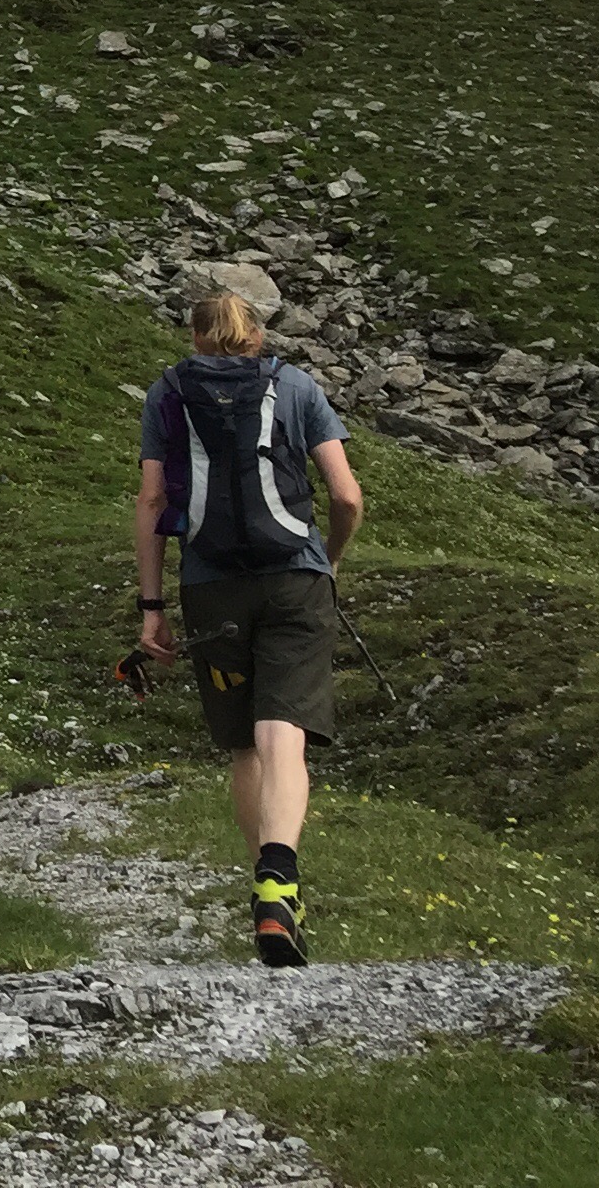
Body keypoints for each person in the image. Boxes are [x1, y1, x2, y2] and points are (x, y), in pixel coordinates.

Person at [132, 286, 364, 968]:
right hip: (295, 578)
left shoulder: (167, 393)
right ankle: (279, 880)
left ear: (195, 337)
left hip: (212, 587)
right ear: (257, 336)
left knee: (244, 747)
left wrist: (152, 607)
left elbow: (153, 498)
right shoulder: (296, 386)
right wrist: (329, 558)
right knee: (283, 732)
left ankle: (268, 889)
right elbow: (346, 496)